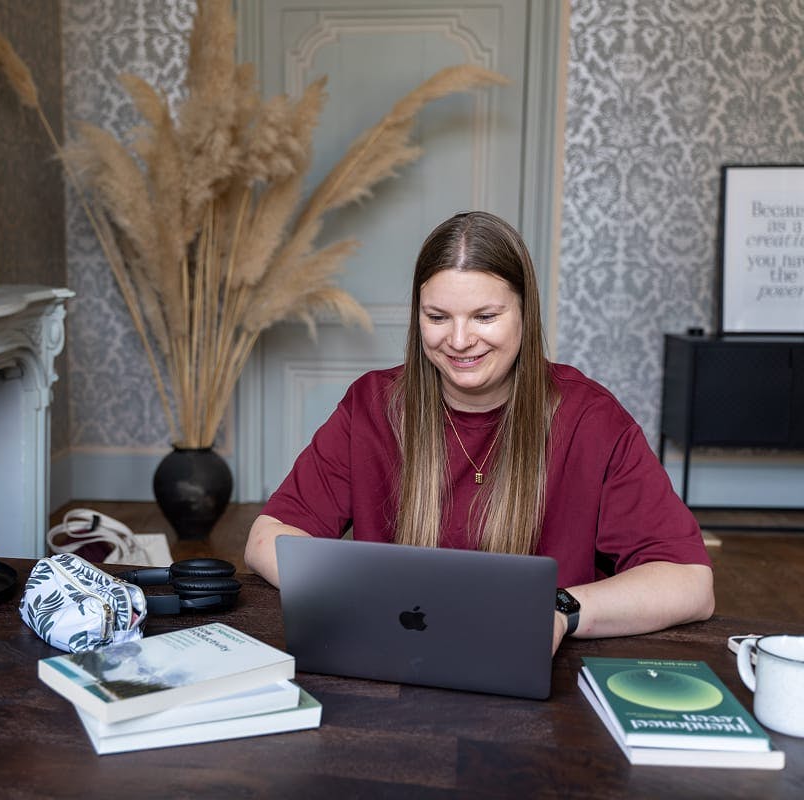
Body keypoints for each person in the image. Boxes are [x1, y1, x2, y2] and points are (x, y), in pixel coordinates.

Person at [244, 211, 714, 652]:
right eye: (437, 317)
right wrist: (364, 593)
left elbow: (690, 583)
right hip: (392, 659)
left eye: (485, 317)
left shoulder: (591, 419)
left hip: (537, 673)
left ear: (525, 312)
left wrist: (558, 610)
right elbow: (268, 537)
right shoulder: (371, 405)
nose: (459, 341)